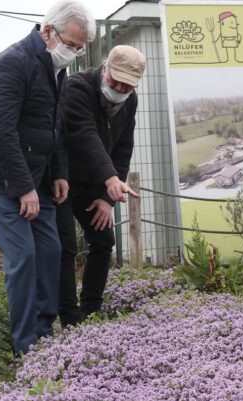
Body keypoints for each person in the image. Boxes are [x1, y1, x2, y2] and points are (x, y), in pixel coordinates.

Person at [0, 0, 95, 355]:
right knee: (23, 255)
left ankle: (44, 330)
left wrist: (59, 174)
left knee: (52, 249)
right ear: (47, 32)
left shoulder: (56, 71)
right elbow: (3, 132)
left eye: (78, 48)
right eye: (69, 44)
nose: (71, 53)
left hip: (38, 177)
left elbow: (54, 127)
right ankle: (25, 343)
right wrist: (24, 188)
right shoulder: (9, 65)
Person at [57, 45, 146, 327]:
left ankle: (91, 313)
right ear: (105, 67)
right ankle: (69, 319)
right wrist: (111, 181)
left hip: (95, 185)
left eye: (127, 85)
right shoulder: (77, 88)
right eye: (115, 80)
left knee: (104, 241)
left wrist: (107, 198)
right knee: (66, 247)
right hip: (62, 180)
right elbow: (85, 135)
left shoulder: (129, 101)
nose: (119, 87)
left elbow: (122, 148)